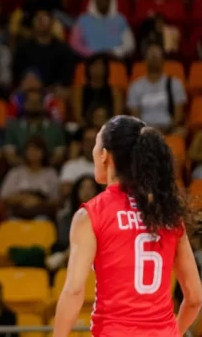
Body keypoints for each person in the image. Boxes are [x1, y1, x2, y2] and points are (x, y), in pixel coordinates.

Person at [53, 116, 202, 337]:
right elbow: (195, 298)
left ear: (104, 155)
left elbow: (74, 290)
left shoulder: (92, 214)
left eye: (96, 144)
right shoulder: (167, 213)